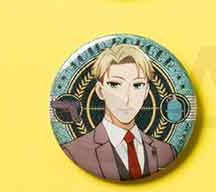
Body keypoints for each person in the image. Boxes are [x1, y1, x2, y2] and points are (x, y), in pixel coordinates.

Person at [59, 44, 176, 180]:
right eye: (115, 84)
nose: (126, 98)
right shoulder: (74, 151)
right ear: (100, 90)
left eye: (137, 85)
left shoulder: (166, 151)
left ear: (146, 92)